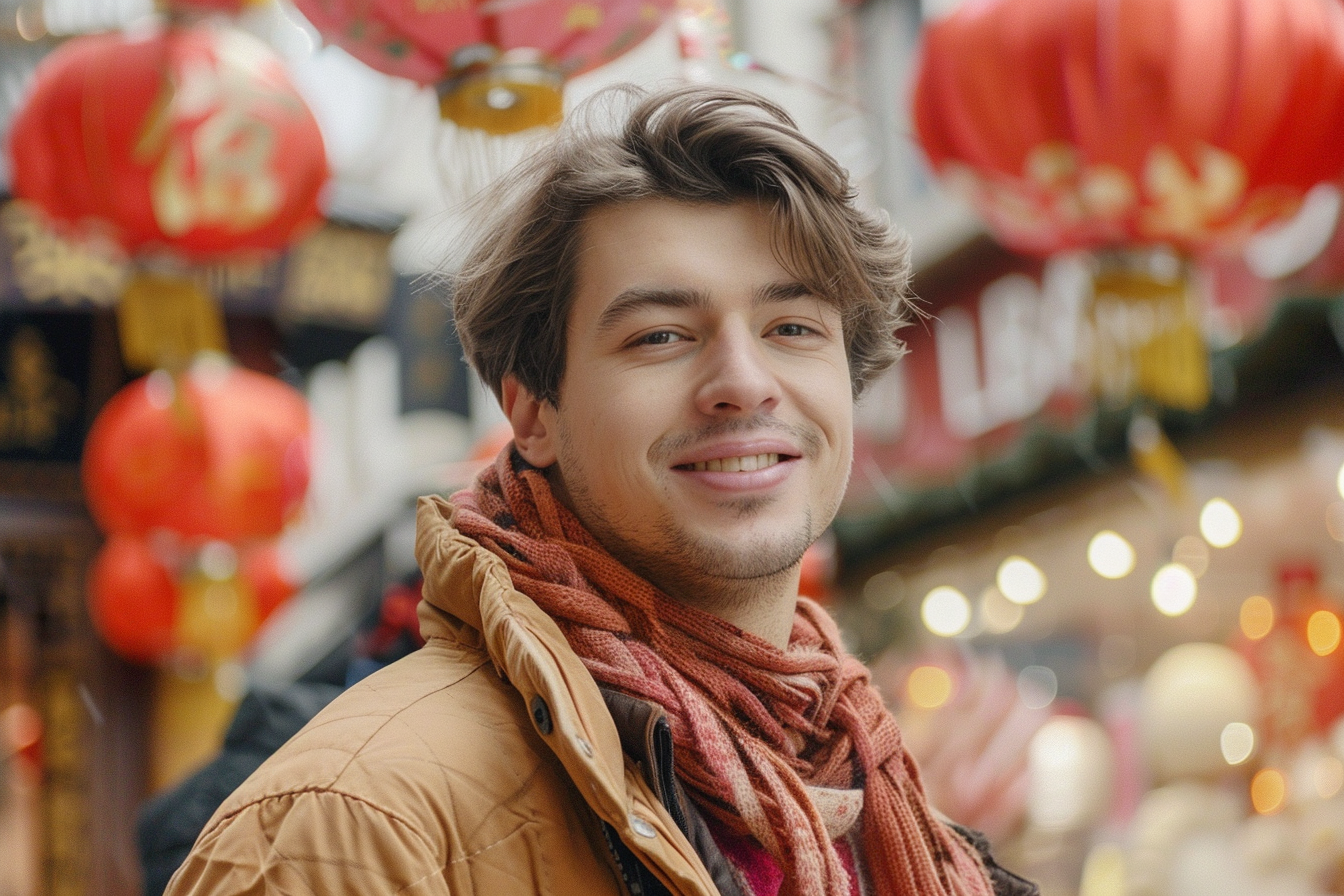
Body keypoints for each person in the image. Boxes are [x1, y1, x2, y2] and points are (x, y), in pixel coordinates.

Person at [164, 83, 1036, 896]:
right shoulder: (351, 825)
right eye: (660, 336)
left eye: (792, 328)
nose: (743, 380)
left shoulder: (882, 804)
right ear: (533, 412)